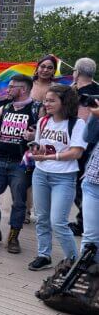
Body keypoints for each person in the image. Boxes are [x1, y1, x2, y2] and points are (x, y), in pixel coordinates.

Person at [0, 75, 42, 254]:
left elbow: (46, 132)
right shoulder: (6, 107)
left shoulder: (36, 108)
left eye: (12, 87)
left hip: (20, 163)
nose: (8, 89)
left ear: (24, 89)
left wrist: (35, 137)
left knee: (19, 202)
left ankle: (13, 235)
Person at [28, 85, 86, 270]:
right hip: (41, 173)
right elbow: (39, 145)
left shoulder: (77, 124)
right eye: (46, 100)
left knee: (58, 221)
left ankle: (72, 260)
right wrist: (36, 149)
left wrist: (49, 157)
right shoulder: (44, 121)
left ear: (65, 102)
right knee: (42, 218)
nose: (47, 103)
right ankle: (44, 255)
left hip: (64, 177)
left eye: (52, 100)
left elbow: (76, 152)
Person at [69, 57, 99, 236]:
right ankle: (86, 221)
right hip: (93, 145)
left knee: (79, 184)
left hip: (80, 143)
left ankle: (83, 223)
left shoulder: (74, 93)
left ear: (77, 73)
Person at [80, 102, 99, 262]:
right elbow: (88, 138)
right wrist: (95, 116)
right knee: (90, 237)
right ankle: (85, 280)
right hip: (93, 181)